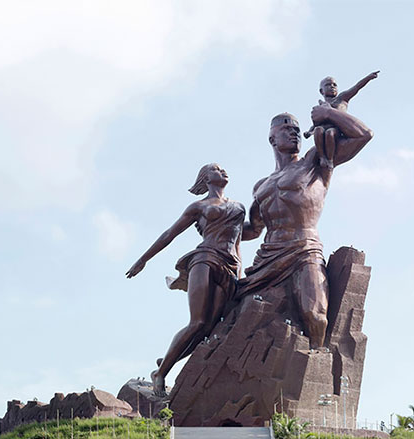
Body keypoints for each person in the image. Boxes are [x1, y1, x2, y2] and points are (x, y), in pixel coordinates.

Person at [237, 106, 373, 350]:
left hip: (304, 250)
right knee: (235, 312)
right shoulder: (261, 186)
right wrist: (218, 227)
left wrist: (328, 114)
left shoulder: (315, 161)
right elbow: (254, 229)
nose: (295, 134)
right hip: (267, 257)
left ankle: (314, 363)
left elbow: (363, 135)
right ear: (272, 138)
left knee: (315, 315)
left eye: (298, 131)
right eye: (287, 129)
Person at [126, 163, 245, 395]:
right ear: (205, 179)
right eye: (216, 169)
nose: (223, 171)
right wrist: (143, 259)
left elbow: (238, 243)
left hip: (229, 267)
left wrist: (238, 275)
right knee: (198, 322)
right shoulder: (198, 206)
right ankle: (161, 374)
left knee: (210, 329)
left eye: (223, 169)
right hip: (204, 259)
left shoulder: (239, 207)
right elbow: (170, 234)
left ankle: (169, 358)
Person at [304, 71, 379, 170]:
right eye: (328, 85)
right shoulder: (320, 107)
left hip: (336, 130)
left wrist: (368, 78)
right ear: (321, 91)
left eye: (334, 85)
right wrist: (309, 132)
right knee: (318, 130)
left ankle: (329, 159)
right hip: (322, 130)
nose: (332, 86)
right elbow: (315, 124)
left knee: (330, 133)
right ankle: (323, 157)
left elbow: (356, 87)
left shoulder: (342, 99)